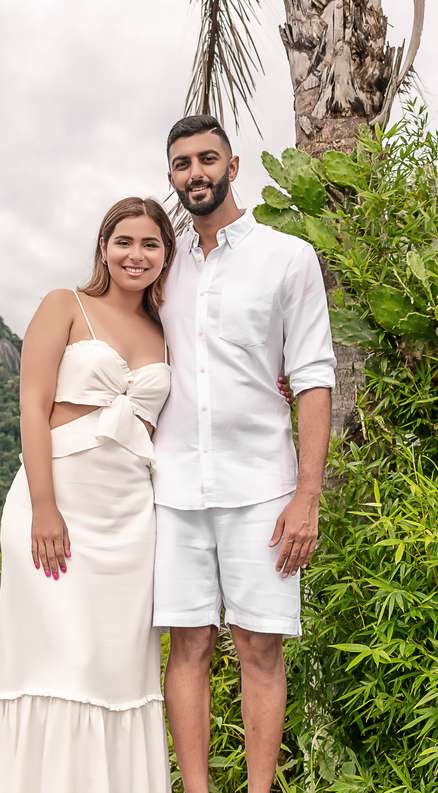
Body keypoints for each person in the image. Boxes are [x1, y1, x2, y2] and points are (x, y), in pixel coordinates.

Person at [152, 115, 336, 793]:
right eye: (181, 164)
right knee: (188, 645)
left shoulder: (287, 257)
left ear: (232, 164)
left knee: (260, 647)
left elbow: (313, 376)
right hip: (172, 488)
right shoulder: (160, 265)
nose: (195, 173)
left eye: (206, 158)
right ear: (171, 177)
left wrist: (306, 496)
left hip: (262, 486)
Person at [0, 197, 176, 793]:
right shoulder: (66, 305)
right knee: (60, 663)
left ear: (166, 255)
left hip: (132, 518)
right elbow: (32, 409)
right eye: (125, 242)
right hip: (56, 505)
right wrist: (43, 505)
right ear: (103, 247)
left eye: (150, 244)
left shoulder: (167, 332)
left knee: (115, 671)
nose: (136, 255)